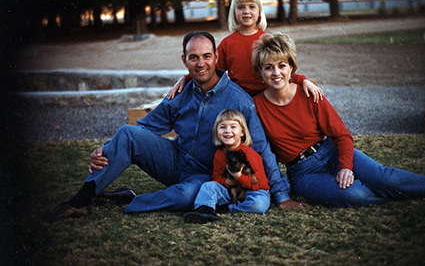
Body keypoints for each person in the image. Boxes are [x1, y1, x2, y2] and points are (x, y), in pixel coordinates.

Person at [45, 30, 300, 223]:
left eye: (206, 56)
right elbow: (143, 128)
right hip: (174, 160)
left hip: (204, 173)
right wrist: (104, 150)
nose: (201, 64)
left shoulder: (239, 100)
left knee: (186, 197)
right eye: (193, 58)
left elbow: (262, 149)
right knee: (127, 132)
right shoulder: (181, 94)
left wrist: (282, 195)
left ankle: (126, 199)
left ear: (216, 57)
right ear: (184, 61)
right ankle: (81, 200)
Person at [251, 33, 425, 207]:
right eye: (268, 67)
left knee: (384, 178)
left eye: (281, 65)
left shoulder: (309, 94)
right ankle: (396, 197)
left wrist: (345, 166)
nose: (276, 73)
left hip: (330, 151)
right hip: (302, 173)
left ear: (291, 68)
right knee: (354, 194)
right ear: (260, 72)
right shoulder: (257, 106)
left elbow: (342, 135)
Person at [167, 0, 323, 101]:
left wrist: (304, 80)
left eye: (251, 7)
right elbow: (212, 70)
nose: (246, 11)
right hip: (238, 97)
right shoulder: (228, 43)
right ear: (234, 12)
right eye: (240, 7)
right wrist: (186, 78)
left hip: (267, 95)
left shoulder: (267, 40)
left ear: (259, 11)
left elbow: (282, 68)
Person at [183, 109, 270, 224]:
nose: (227, 131)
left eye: (233, 127)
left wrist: (239, 177)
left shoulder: (249, 153)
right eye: (222, 127)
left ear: (242, 132)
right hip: (230, 191)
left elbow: (260, 183)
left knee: (258, 205)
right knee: (209, 186)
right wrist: (228, 183)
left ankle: (229, 208)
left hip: (252, 191)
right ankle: (204, 209)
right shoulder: (220, 154)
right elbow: (216, 177)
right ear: (216, 132)